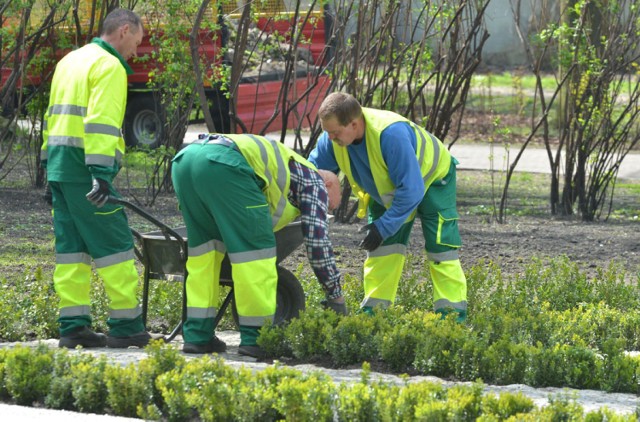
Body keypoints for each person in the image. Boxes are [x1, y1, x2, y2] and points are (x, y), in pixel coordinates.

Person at [171, 133, 346, 358]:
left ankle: (197, 336)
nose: (327, 210)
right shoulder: (315, 182)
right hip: (225, 166)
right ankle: (256, 338)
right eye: (331, 205)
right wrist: (335, 294)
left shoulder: (291, 168)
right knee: (255, 255)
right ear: (329, 185)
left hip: (185, 160)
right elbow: (317, 243)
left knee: (204, 256)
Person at [41, 8, 154, 348]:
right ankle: (127, 327)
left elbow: (52, 119)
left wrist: (49, 171)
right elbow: (100, 123)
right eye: (136, 41)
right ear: (123, 30)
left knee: (71, 251)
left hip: (61, 170)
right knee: (116, 245)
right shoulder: (109, 67)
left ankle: (73, 326)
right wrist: (102, 175)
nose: (135, 51)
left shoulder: (70, 61)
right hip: (87, 172)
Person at [309, 92, 468, 322]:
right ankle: (374, 314)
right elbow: (311, 172)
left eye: (335, 132)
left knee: (440, 247)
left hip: (434, 178)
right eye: (327, 132)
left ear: (354, 123)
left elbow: (412, 190)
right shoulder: (330, 140)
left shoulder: (390, 134)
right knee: (382, 248)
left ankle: (452, 317)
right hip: (391, 187)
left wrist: (383, 227)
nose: (330, 138)